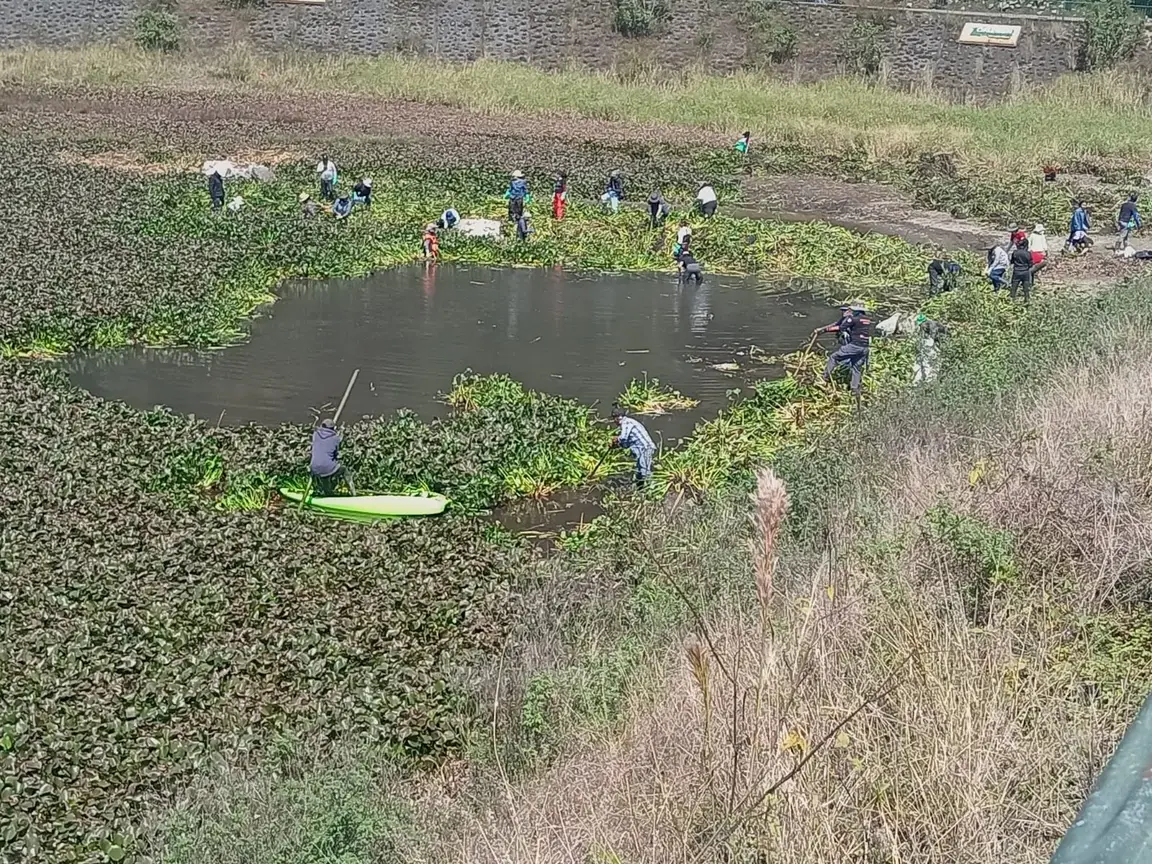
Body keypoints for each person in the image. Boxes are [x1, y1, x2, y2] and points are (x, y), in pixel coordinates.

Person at [815, 303, 871, 398]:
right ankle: (854, 389)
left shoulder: (853, 319)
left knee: (834, 357)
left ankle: (825, 376)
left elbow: (840, 327)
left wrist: (824, 330)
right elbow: (840, 323)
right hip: (865, 347)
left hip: (855, 345)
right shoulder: (867, 320)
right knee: (856, 367)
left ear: (856, 311)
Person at [611, 406, 656, 488]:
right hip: (640, 449)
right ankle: (640, 490)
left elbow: (623, 437)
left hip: (645, 448)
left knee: (645, 471)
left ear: (618, 418)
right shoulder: (627, 424)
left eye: (614, 419)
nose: (614, 421)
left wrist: (616, 439)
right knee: (639, 473)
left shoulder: (627, 423)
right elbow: (626, 443)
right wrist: (617, 445)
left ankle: (651, 490)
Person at [310, 419, 355, 497]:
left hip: (314, 467)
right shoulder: (335, 439)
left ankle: (327, 493)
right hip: (327, 467)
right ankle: (353, 494)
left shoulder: (315, 434)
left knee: (326, 478)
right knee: (344, 470)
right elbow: (335, 453)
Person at [1010, 236, 1034, 302]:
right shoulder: (1028, 254)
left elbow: (1011, 261)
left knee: (1014, 288)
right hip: (1025, 272)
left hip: (1017, 271)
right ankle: (1027, 301)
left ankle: (1012, 301)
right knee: (1026, 290)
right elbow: (1031, 264)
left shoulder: (1015, 253)